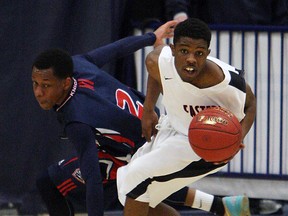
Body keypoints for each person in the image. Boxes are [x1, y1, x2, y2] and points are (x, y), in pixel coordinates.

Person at [31, 20, 178, 216]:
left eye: (46, 85)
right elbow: (117, 49)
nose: (38, 92)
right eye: (35, 83)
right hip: (153, 128)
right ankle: (218, 206)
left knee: (51, 183)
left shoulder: (77, 119)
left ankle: (217, 206)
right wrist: (152, 37)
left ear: (66, 83)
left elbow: (92, 180)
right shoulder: (78, 64)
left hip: (137, 153)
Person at [117, 18, 257, 216]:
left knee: (137, 178)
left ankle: (222, 207)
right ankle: (227, 208)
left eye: (199, 53)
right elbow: (155, 70)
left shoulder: (223, 80)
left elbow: (251, 103)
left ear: (207, 54)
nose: (191, 58)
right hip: (173, 129)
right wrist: (148, 109)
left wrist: (239, 137)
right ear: (173, 50)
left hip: (205, 146)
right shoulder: (158, 60)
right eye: (184, 51)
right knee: (128, 190)